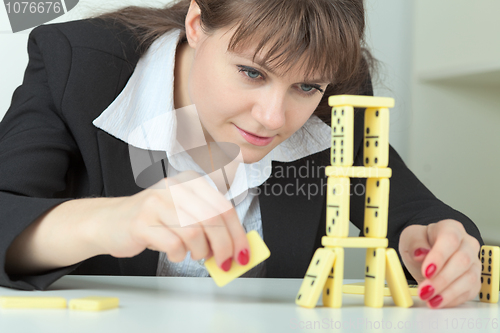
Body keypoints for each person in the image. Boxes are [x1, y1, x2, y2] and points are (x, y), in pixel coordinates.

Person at [0, 0, 483, 309]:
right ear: (196, 24)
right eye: (252, 72)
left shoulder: (337, 97)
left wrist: (438, 245)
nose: (273, 117)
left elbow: (415, 212)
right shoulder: (76, 64)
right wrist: (116, 219)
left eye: (306, 86)